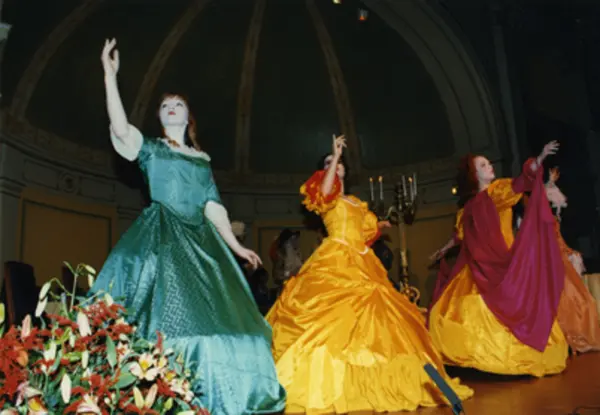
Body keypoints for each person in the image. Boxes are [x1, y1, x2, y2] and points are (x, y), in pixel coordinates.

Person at [89, 39, 285, 415]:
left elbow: (213, 207)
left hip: (202, 242)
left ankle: (222, 393)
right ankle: (163, 392)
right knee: (168, 324)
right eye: (165, 105)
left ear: (188, 116)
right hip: (162, 236)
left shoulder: (202, 159)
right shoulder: (150, 148)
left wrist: (236, 247)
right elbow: (120, 127)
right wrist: (110, 77)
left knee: (226, 324)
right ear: (161, 117)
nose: (171, 107)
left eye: (178, 104)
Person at [266, 135, 473, 413]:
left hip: (363, 261)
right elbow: (325, 192)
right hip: (336, 259)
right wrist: (335, 156)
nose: (334, 164)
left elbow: (365, 231)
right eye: (327, 163)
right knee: (335, 318)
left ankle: (378, 377)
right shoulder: (325, 194)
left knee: (379, 317)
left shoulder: (355, 202)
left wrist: (381, 226)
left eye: (337, 162)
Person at [428, 141, 568, 377]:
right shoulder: (466, 210)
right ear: (474, 175)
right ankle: (474, 360)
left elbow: (521, 182)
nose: (489, 166)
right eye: (483, 165)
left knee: (508, 306)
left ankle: (511, 358)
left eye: (488, 163)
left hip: (502, 264)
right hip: (474, 267)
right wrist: (442, 251)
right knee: (455, 309)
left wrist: (540, 158)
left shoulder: (498, 192)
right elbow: (460, 237)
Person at [543, 168, 600, 353]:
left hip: (562, 263)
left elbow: (560, 243)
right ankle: (572, 339)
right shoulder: (545, 221)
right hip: (553, 267)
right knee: (574, 301)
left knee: (584, 301)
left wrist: (571, 253)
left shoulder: (554, 221)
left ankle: (577, 338)